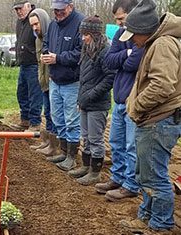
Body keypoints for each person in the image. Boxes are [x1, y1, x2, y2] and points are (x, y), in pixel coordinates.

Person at [118, 0, 181, 232]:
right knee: (145, 173)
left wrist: (137, 107)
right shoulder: (154, 42)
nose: (133, 39)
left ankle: (160, 224)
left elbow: (162, 85)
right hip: (154, 119)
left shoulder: (162, 44)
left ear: (146, 31)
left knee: (155, 176)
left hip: (158, 120)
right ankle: (146, 216)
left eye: (134, 34)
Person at [94, 0, 143, 202]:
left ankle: (131, 184)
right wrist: (127, 53)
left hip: (134, 98)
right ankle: (118, 177)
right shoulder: (120, 34)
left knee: (132, 145)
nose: (119, 23)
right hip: (120, 97)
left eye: (121, 19)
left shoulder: (142, 36)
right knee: (115, 142)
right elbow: (109, 60)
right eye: (117, 19)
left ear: (133, 15)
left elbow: (133, 64)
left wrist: (124, 56)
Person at [68, 16, 115, 185]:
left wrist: (91, 94)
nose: (83, 38)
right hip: (86, 102)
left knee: (95, 139)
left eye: (86, 34)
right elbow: (85, 77)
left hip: (98, 103)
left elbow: (110, 78)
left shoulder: (105, 51)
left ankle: (95, 172)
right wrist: (82, 99)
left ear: (94, 34)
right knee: (86, 137)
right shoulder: (87, 49)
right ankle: (86, 166)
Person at [42, 0, 84, 171]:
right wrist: (45, 54)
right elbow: (46, 43)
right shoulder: (53, 25)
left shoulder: (80, 23)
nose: (58, 13)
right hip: (55, 79)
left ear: (70, 7)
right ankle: (63, 151)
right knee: (57, 118)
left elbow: (80, 52)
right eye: (55, 10)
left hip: (72, 81)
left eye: (61, 10)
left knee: (71, 120)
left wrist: (58, 58)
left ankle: (72, 157)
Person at [28, 9, 59, 156]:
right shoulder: (37, 40)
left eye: (36, 24)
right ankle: (47, 142)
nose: (34, 28)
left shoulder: (53, 37)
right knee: (47, 113)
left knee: (54, 114)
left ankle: (55, 146)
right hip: (44, 82)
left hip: (54, 81)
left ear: (43, 21)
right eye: (32, 25)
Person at [11, 0, 43, 132]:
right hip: (23, 64)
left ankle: (35, 123)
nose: (19, 12)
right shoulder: (20, 22)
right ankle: (25, 120)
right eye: (16, 10)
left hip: (34, 64)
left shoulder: (36, 19)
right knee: (21, 93)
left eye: (20, 8)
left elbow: (41, 38)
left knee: (34, 95)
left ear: (28, 6)